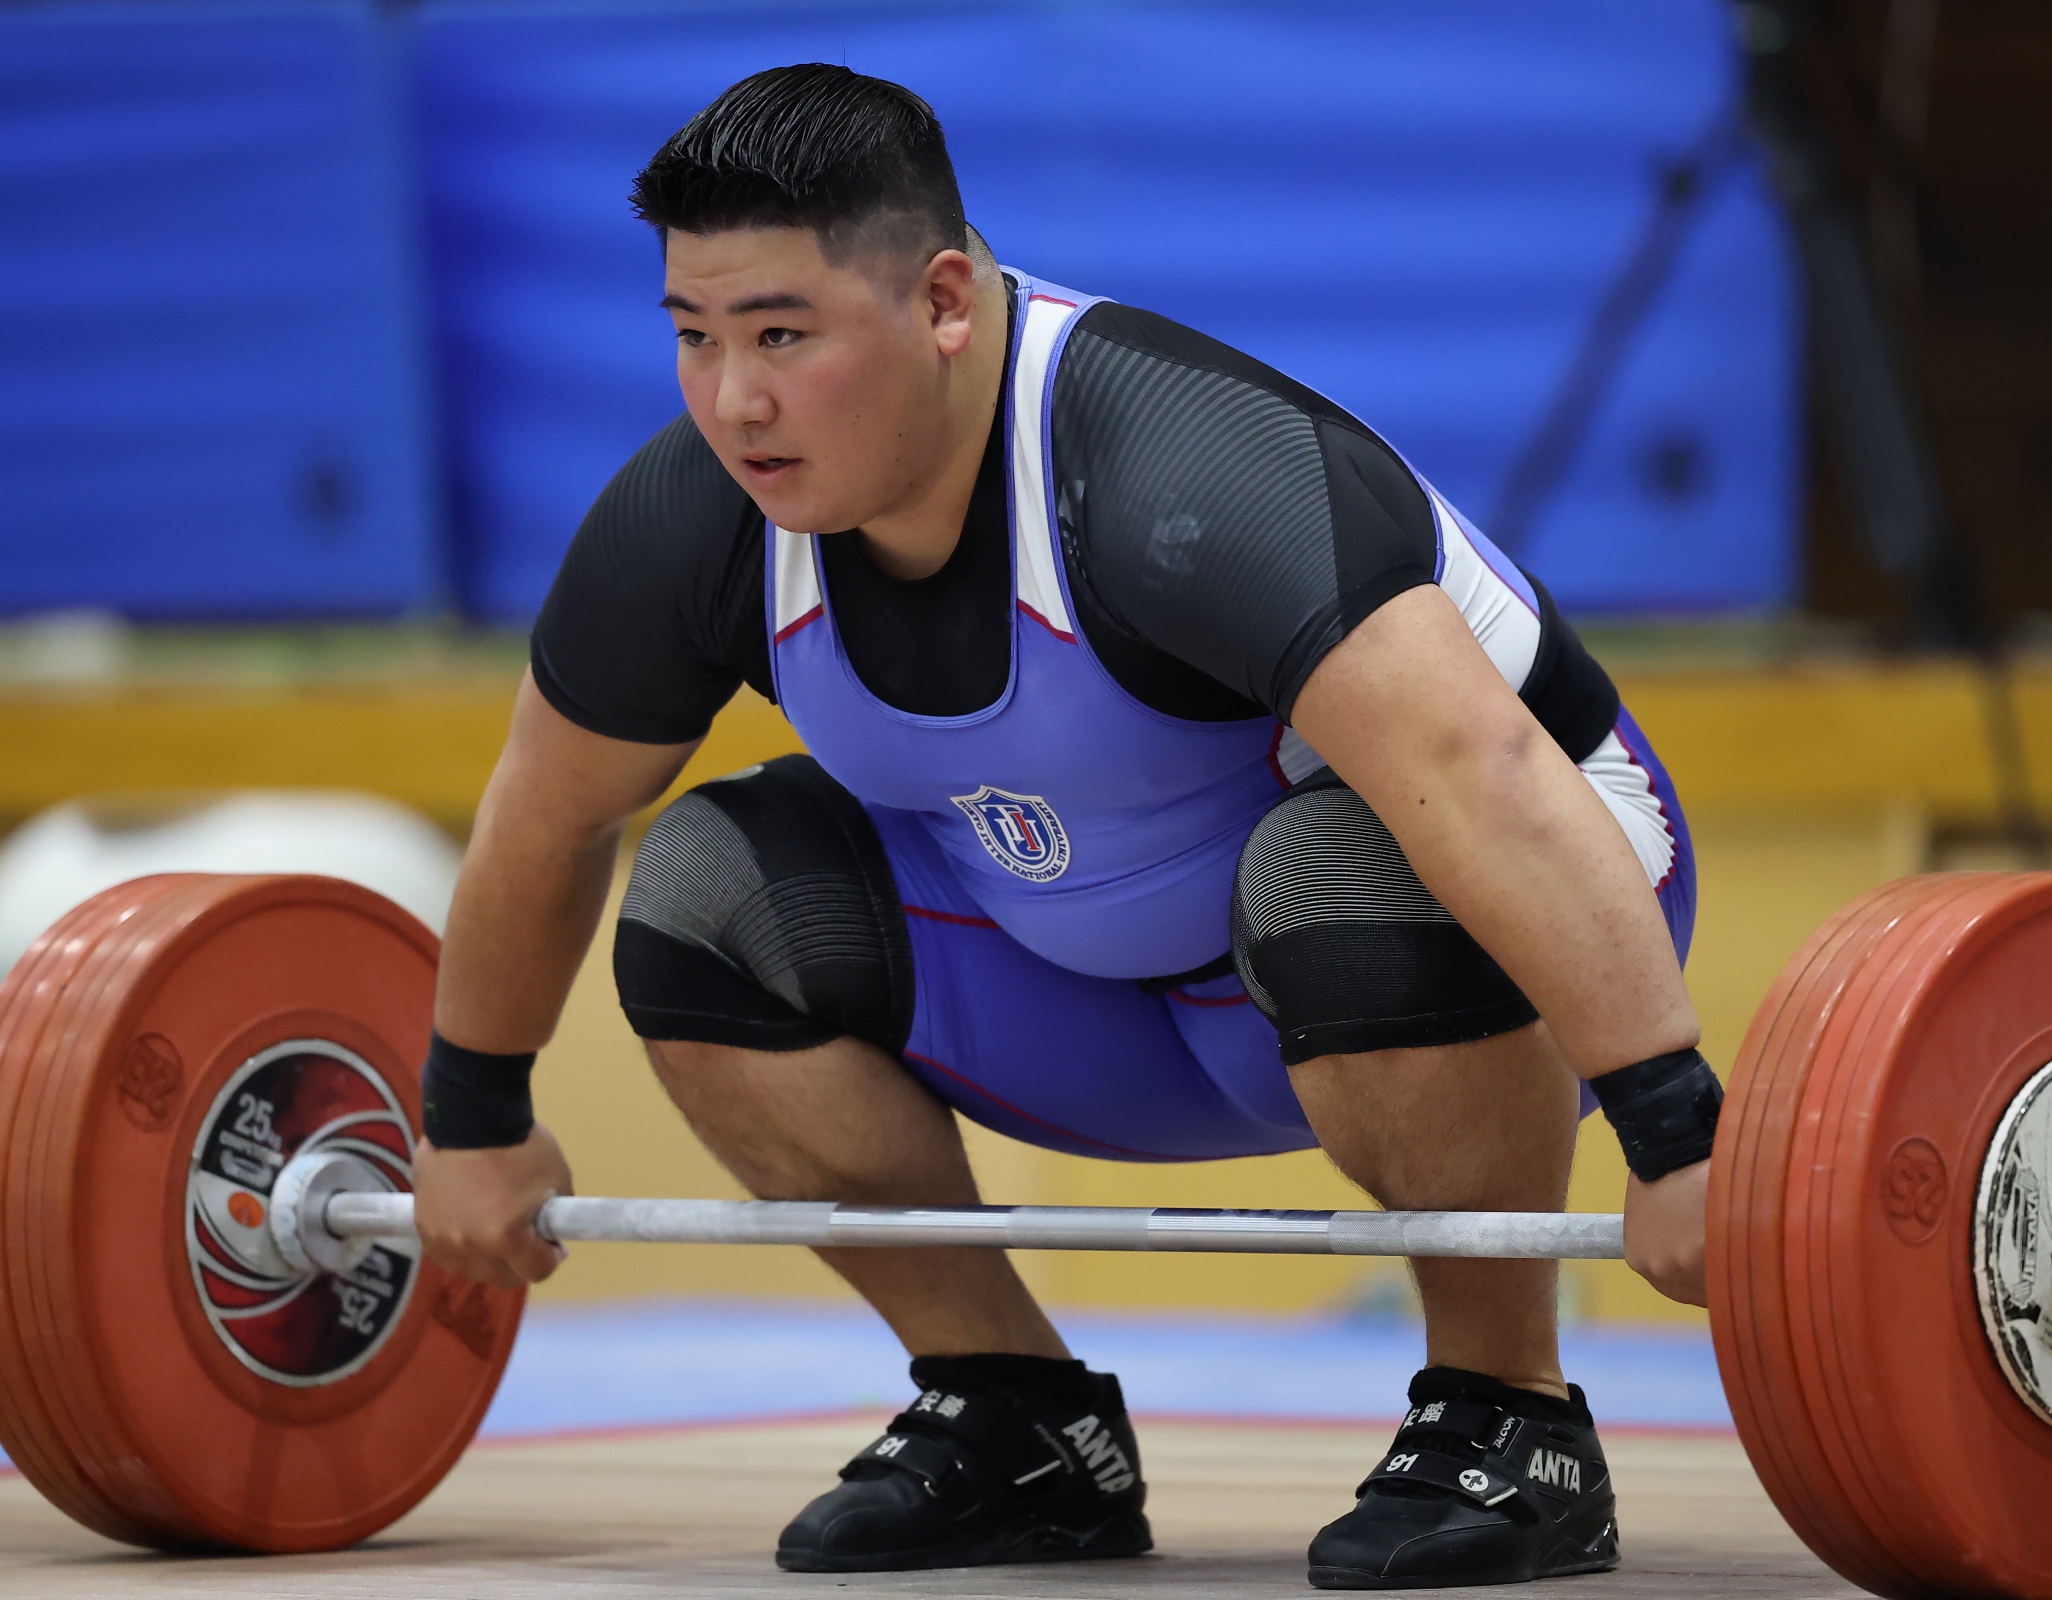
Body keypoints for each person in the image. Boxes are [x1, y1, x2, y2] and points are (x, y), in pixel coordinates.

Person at [412, 63, 1719, 1589]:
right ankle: (1016, 1423)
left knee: (1336, 865)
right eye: (693, 337)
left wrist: (1677, 1130)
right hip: (1101, 988)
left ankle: (1512, 1414)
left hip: (1517, 910)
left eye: (781, 335)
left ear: (942, 302)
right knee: (709, 894)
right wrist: (470, 1123)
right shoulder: (701, 519)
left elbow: (1486, 774)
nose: (733, 401)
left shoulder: (1170, 468)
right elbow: (545, 815)